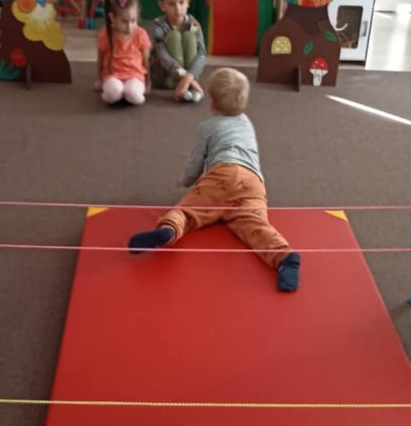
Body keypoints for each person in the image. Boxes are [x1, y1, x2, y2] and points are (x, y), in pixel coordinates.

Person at [128, 67, 301, 292]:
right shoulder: (247, 123)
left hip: (221, 175)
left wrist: (186, 180)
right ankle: (283, 256)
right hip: (252, 181)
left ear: (212, 103)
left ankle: (168, 230)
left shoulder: (207, 127)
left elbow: (196, 162)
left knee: (187, 212)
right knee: (254, 225)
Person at [150, 0, 206, 102]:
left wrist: (189, 76)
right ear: (162, 5)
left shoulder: (194, 25)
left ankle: (186, 86)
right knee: (174, 36)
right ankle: (187, 86)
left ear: (188, 2)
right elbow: (163, 57)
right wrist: (185, 77)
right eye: (171, 4)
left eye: (181, 2)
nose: (177, 9)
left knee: (189, 36)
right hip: (165, 78)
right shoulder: (159, 26)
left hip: (189, 77)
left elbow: (202, 54)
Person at [96, 0, 151, 105]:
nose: (129, 27)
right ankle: (119, 94)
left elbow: (146, 60)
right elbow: (100, 58)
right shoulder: (105, 34)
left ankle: (127, 94)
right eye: (124, 22)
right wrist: (100, 79)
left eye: (133, 21)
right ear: (112, 18)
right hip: (112, 75)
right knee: (113, 93)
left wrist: (148, 81)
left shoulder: (141, 34)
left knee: (134, 95)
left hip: (135, 76)